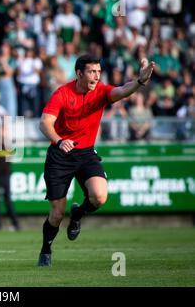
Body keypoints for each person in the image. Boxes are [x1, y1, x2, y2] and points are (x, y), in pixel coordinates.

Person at [38, 54, 155, 267]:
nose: (96, 76)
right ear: (79, 73)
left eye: (99, 72)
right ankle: (46, 249)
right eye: (92, 72)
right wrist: (59, 140)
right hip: (60, 155)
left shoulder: (101, 91)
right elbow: (45, 123)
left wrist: (139, 81)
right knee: (56, 214)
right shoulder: (62, 93)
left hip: (86, 154)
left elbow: (122, 90)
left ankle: (78, 213)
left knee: (99, 196)